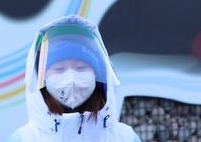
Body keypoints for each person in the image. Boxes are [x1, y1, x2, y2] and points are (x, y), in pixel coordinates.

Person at [8, 15, 140, 141]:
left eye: (81, 68)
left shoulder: (125, 137)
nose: (71, 78)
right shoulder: (24, 138)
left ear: (97, 75)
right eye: (59, 69)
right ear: (41, 79)